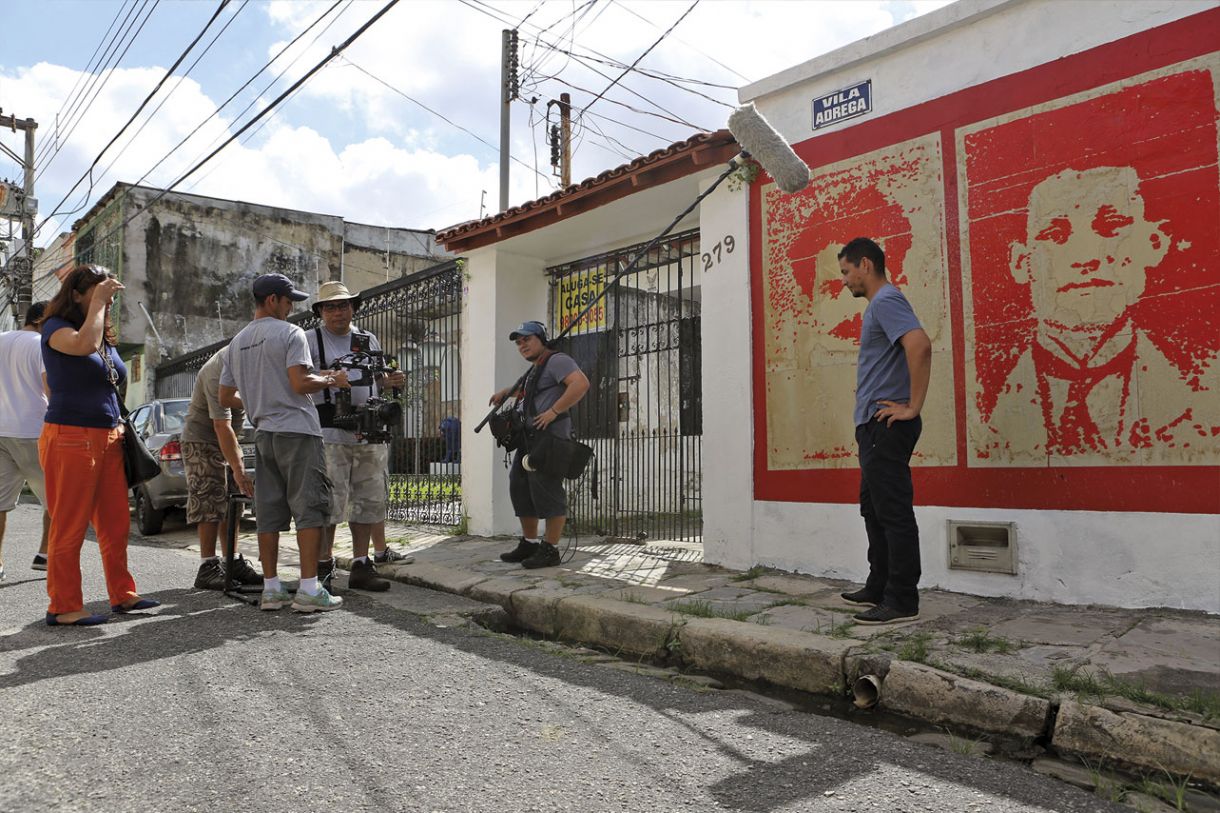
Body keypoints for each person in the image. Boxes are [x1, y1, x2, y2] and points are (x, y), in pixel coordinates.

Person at [983, 165, 1216, 459]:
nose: (1085, 257)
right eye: (1055, 234)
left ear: (1153, 243)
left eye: (1111, 226)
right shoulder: (990, 417)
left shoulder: (1201, 392)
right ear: (1021, 263)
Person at [219, 273, 349, 612]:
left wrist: (258, 397)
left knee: (269, 511)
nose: (291, 307)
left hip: (263, 433)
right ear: (273, 300)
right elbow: (300, 382)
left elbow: (224, 395)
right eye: (289, 300)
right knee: (309, 508)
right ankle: (308, 589)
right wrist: (331, 379)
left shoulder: (237, 342)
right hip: (298, 431)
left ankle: (272, 588)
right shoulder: (290, 333)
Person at [38, 265, 159, 625]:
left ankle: (122, 594)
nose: (107, 296)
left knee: (116, 524)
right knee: (70, 524)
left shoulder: (101, 335)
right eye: (98, 289)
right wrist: (100, 304)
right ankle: (63, 606)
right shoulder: (55, 328)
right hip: (71, 437)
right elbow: (82, 346)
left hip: (109, 436)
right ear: (76, 293)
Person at [835, 238, 931, 625]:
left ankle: (902, 599)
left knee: (892, 512)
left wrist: (913, 406)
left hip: (886, 427)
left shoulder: (886, 300)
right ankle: (879, 585)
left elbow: (920, 345)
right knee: (873, 509)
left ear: (865, 264)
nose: (844, 281)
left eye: (846, 272)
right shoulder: (879, 305)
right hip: (873, 427)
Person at [305, 281, 411, 593]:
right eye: (331, 307)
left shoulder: (368, 338)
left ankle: (362, 564)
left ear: (354, 307)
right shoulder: (311, 341)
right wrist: (330, 378)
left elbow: (376, 379)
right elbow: (298, 379)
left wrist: (390, 381)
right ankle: (323, 567)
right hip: (330, 433)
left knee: (369, 500)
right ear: (321, 312)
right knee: (331, 502)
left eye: (343, 305)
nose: (338, 311)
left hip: (370, 431)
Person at [490, 320, 590, 569]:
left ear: (541, 339)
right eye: (519, 342)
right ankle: (530, 543)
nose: (522, 345)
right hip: (530, 437)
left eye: (527, 339)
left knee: (548, 490)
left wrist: (554, 411)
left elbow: (581, 384)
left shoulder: (557, 360)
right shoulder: (536, 368)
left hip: (550, 438)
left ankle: (551, 549)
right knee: (520, 487)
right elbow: (532, 392)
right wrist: (506, 392)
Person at [180, 345, 261, 590]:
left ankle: (231, 562)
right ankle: (208, 566)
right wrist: (238, 467)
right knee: (209, 499)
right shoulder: (218, 369)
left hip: (229, 438)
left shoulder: (249, 363)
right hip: (201, 440)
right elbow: (220, 425)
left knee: (232, 502)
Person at [0, 301, 51, 581]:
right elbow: (49, 387)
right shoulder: (43, 344)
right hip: (34, 430)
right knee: (57, 498)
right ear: (43, 319)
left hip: (0, 430)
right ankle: (45, 554)